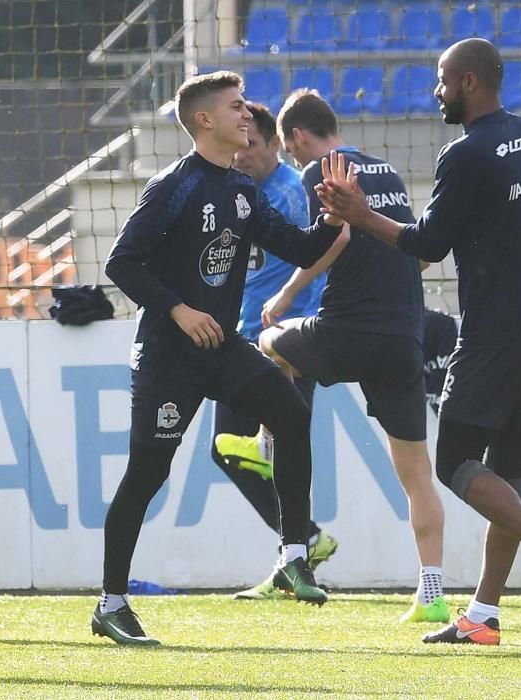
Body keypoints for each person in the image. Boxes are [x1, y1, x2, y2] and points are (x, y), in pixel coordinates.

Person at [315, 38, 521, 646]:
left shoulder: (464, 154)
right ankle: (484, 615)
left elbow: (427, 244)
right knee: (508, 468)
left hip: (497, 332)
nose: (435, 91)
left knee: (454, 464)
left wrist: (361, 215)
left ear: (469, 82)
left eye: (442, 80)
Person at [92, 71, 344, 646]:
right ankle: (111, 601)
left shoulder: (242, 190)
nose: (247, 116)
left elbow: (302, 248)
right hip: (167, 357)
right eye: (236, 107)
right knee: (147, 474)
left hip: (220, 348)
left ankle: (293, 554)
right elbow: (121, 264)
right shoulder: (173, 186)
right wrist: (179, 310)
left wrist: (334, 214)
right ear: (205, 120)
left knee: (291, 412)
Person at [216, 88, 450, 624]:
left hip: (348, 329)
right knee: (417, 474)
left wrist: (287, 294)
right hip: (403, 336)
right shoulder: (387, 172)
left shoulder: (320, 168)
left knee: (269, 342)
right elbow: (410, 248)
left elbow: (337, 237)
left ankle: (263, 444)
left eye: (292, 150)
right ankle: (432, 592)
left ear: (298, 137)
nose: (295, 160)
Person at [209, 101, 339, 600]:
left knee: (265, 447)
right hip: (238, 338)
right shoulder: (237, 195)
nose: (242, 154)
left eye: (252, 146)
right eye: (239, 144)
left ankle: (299, 548)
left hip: (282, 341)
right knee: (230, 451)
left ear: (272, 145)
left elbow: (323, 251)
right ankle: (300, 545)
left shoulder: (288, 194)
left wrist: (286, 315)